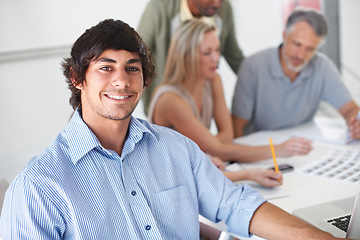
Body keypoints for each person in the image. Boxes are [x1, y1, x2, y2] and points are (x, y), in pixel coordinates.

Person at [0, 19, 349, 240]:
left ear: (144, 78)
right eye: (106, 68)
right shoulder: (37, 187)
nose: (121, 80)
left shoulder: (176, 149)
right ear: (77, 79)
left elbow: (236, 205)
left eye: (132, 68)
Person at [148, 19, 312, 165]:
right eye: (207, 52)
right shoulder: (170, 100)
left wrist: (212, 146)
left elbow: (228, 136)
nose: (216, 58)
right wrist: (279, 150)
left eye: (217, 50)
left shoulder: (213, 80)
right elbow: (220, 148)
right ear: (186, 56)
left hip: (200, 168)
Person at [231, 8, 360, 138]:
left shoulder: (322, 67)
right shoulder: (253, 66)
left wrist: (356, 124)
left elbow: (350, 109)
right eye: (297, 44)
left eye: (310, 49)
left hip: (302, 143)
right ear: (284, 35)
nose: (300, 55)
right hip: (262, 148)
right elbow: (237, 127)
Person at [137, 0, 244, 114]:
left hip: (199, 102)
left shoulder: (224, 9)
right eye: (207, 52)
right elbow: (137, 55)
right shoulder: (159, 7)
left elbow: (235, 57)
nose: (218, 4)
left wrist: (259, 77)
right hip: (169, 102)